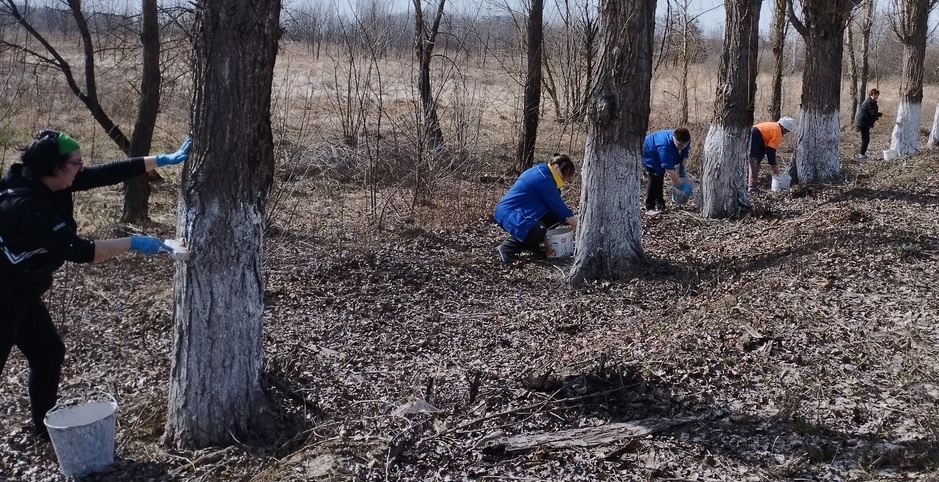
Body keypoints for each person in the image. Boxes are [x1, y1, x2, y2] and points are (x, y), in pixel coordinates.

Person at [0, 129, 190, 439]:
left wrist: (163, 160)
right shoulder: (25, 204)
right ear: (55, 166)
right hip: (4, 291)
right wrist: (134, 243)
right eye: (76, 163)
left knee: (48, 352)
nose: (81, 168)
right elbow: (77, 250)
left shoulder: (53, 181)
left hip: (20, 287)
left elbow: (106, 173)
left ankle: (44, 432)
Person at [493, 153, 578, 264]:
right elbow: (561, 210)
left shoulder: (545, 173)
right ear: (556, 167)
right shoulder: (543, 179)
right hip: (509, 213)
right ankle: (507, 248)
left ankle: (531, 244)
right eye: (564, 174)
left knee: (554, 217)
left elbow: (557, 209)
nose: (565, 179)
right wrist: (580, 225)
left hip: (522, 211)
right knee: (539, 229)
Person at [642, 128, 692, 215]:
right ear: (674, 139)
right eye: (679, 144)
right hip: (649, 153)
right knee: (655, 178)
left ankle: (661, 205)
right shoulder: (665, 146)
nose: (682, 147)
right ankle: (650, 207)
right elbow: (670, 171)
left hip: (658, 152)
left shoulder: (685, 140)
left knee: (660, 178)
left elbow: (684, 154)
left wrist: (682, 169)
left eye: (684, 145)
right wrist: (681, 185)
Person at [748, 116, 796, 194]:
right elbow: (770, 150)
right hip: (755, 137)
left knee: (752, 160)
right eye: (787, 131)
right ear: (784, 128)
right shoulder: (778, 133)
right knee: (755, 161)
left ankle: (748, 183)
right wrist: (773, 166)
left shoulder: (773, 125)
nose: (786, 133)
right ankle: (752, 187)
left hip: (752, 133)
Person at [854, 88, 882, 160]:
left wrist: (878, 117)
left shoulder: (871, 102)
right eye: (875, 95)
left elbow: (872, 114)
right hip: (863, 123)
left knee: (865, 139)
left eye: (877, 95)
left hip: (864, 123)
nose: (876, 97)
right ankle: (861, 155)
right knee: (866, 139)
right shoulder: (870, 103)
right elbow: (873, 114)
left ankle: (862, 154)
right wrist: (880, 115)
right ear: (871, 95)